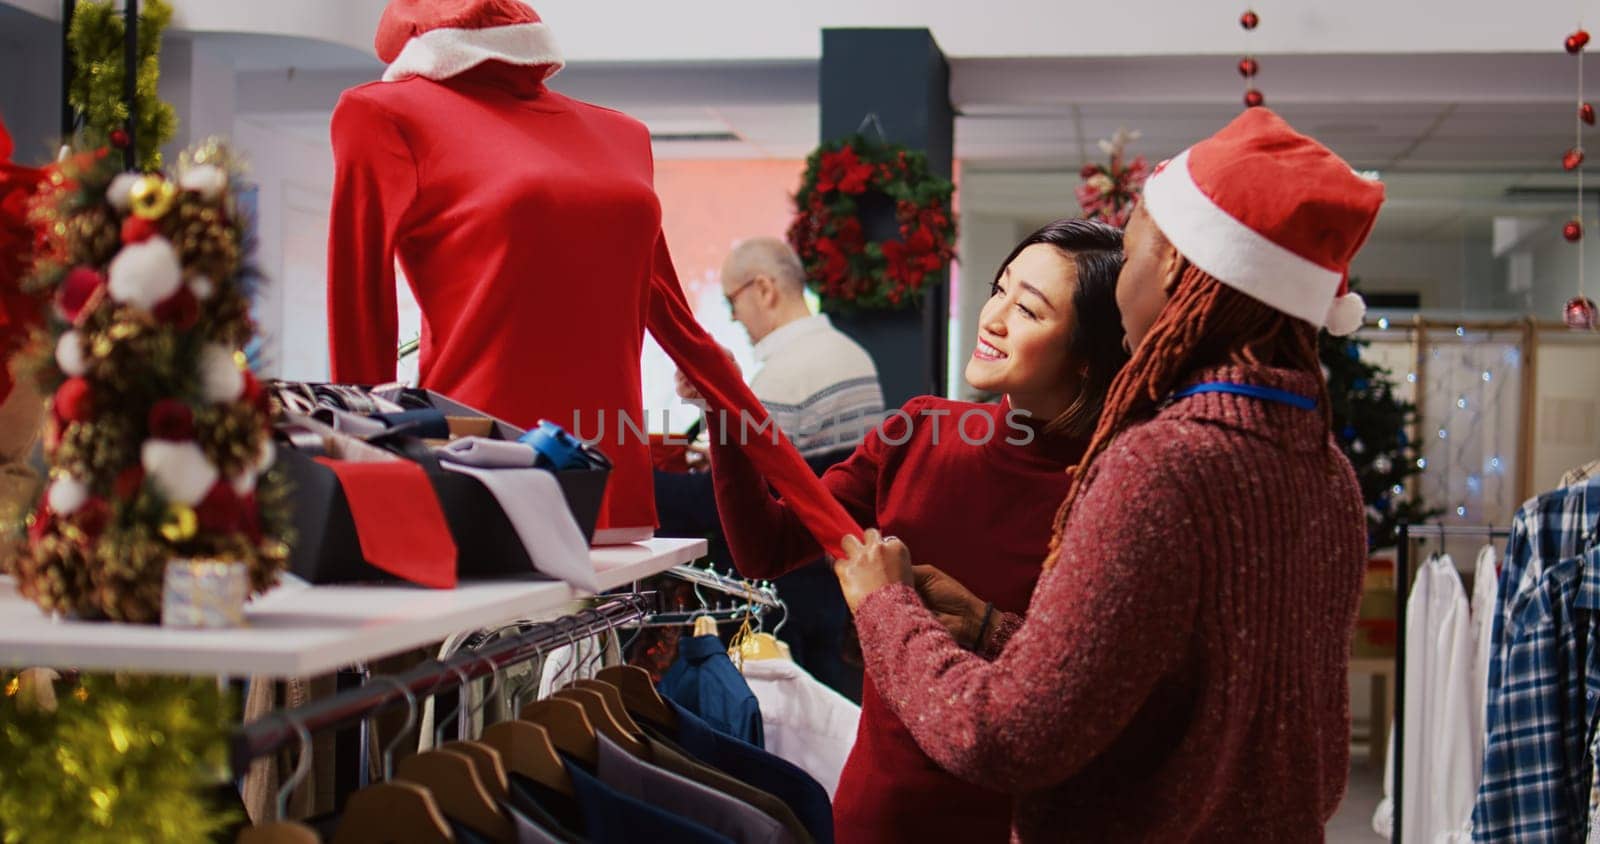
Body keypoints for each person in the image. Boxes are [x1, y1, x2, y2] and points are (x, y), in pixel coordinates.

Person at [832, 107, 1383, 841]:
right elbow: (1235, 730)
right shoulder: (1324, 470)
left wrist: (885, 610)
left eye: (1127, 255)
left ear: (1182, 269)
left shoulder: (1159, 467)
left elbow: (1002, 738)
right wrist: (993, 630)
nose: (1116, 281)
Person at [692, 218, 1129, 843]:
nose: (994, 318)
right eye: (997, 289)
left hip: (1017, 821)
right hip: (878, 811)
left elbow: (1087, 697)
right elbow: (766, 549)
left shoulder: (1109, 492)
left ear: (1087, 356)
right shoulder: (919, 432)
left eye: (1028, 310)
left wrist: (972, 622)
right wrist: (726, 416)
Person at [653, 236, 884, 696]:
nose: (734, 316)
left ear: (764, 289)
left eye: (731, 300)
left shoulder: (785, 374)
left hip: (786, 593)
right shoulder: (853, 355)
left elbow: (737, 498)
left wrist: (638, 483)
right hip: (834, 581)